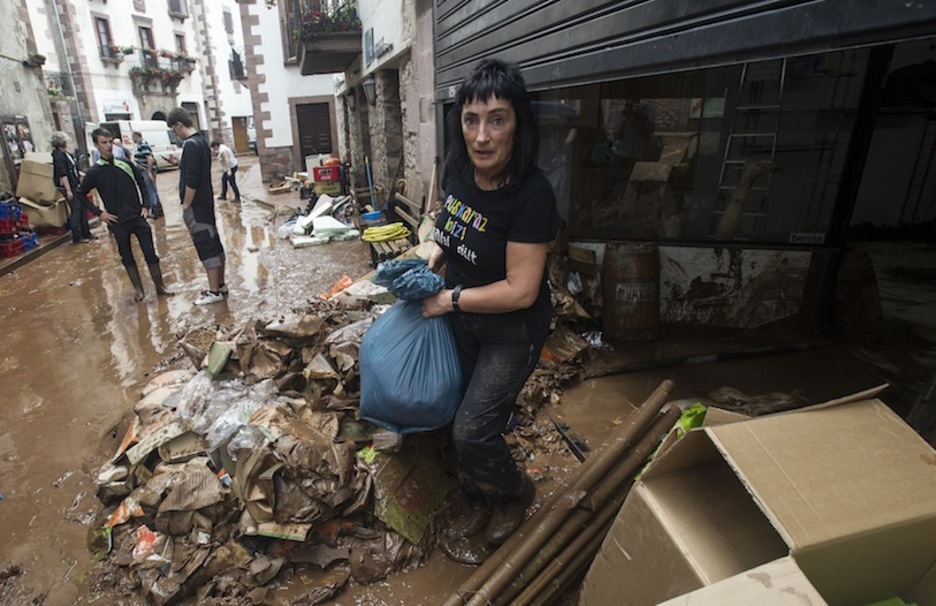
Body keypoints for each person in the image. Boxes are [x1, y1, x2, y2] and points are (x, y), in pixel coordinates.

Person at [420, 58, 558, 563]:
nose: (481, 136)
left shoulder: (532, 195)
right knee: (450, 411)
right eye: (471, 120)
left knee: (474, 428)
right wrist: (434, 260)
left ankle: (513, 492)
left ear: (517, 124)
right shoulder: (459, 169)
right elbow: (450, 227)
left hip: (510, 331)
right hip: (462, 321)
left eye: (496, 120)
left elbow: (521, 290)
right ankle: (477, 500)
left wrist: (448, 299)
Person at [77, 128, 173, 301]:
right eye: (104, 143)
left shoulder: (125, 163)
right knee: (126, 256)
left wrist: (146, 205)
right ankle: (139, 291)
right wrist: (100, 213)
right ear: (96, 145)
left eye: (110, 141)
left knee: (150, 253)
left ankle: (160, 287)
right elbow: (80, 194)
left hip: (137, 216)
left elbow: (141, 181)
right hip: (117, 221)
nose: (108, 146)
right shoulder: (94, 172)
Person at [167, 107, 227, 305]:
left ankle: (214, 292)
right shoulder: (201, 141)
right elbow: (196, 169)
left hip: (196, 205)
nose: (175, 134)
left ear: (179, 125)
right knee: (213, 241)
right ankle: (220, 285)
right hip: (206, 202)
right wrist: (180, 164)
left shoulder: (190, 145)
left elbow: (192, 179)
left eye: (174, 129)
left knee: (205, 244)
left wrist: (186, 204)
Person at [51, 131, 96, 244]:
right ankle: (77, 236)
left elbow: (73, 170)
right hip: (69, 186)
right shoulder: (58, 156)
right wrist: (68, 190)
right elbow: (63, 174)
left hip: (75, 184)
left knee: (83, 208)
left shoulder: (67, 154)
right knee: (76, 209)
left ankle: (86, 233)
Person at [132, 131, 163, 218]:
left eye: (133, 137)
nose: (132, 139)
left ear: (136, 136)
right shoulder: (140, 145)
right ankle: (159, 210)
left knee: (150, 191)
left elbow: (150, 159)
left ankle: (155, 211)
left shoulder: (143, 144)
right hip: (146, 170)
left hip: (146, 170)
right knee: (153, 189)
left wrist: (149, 172)